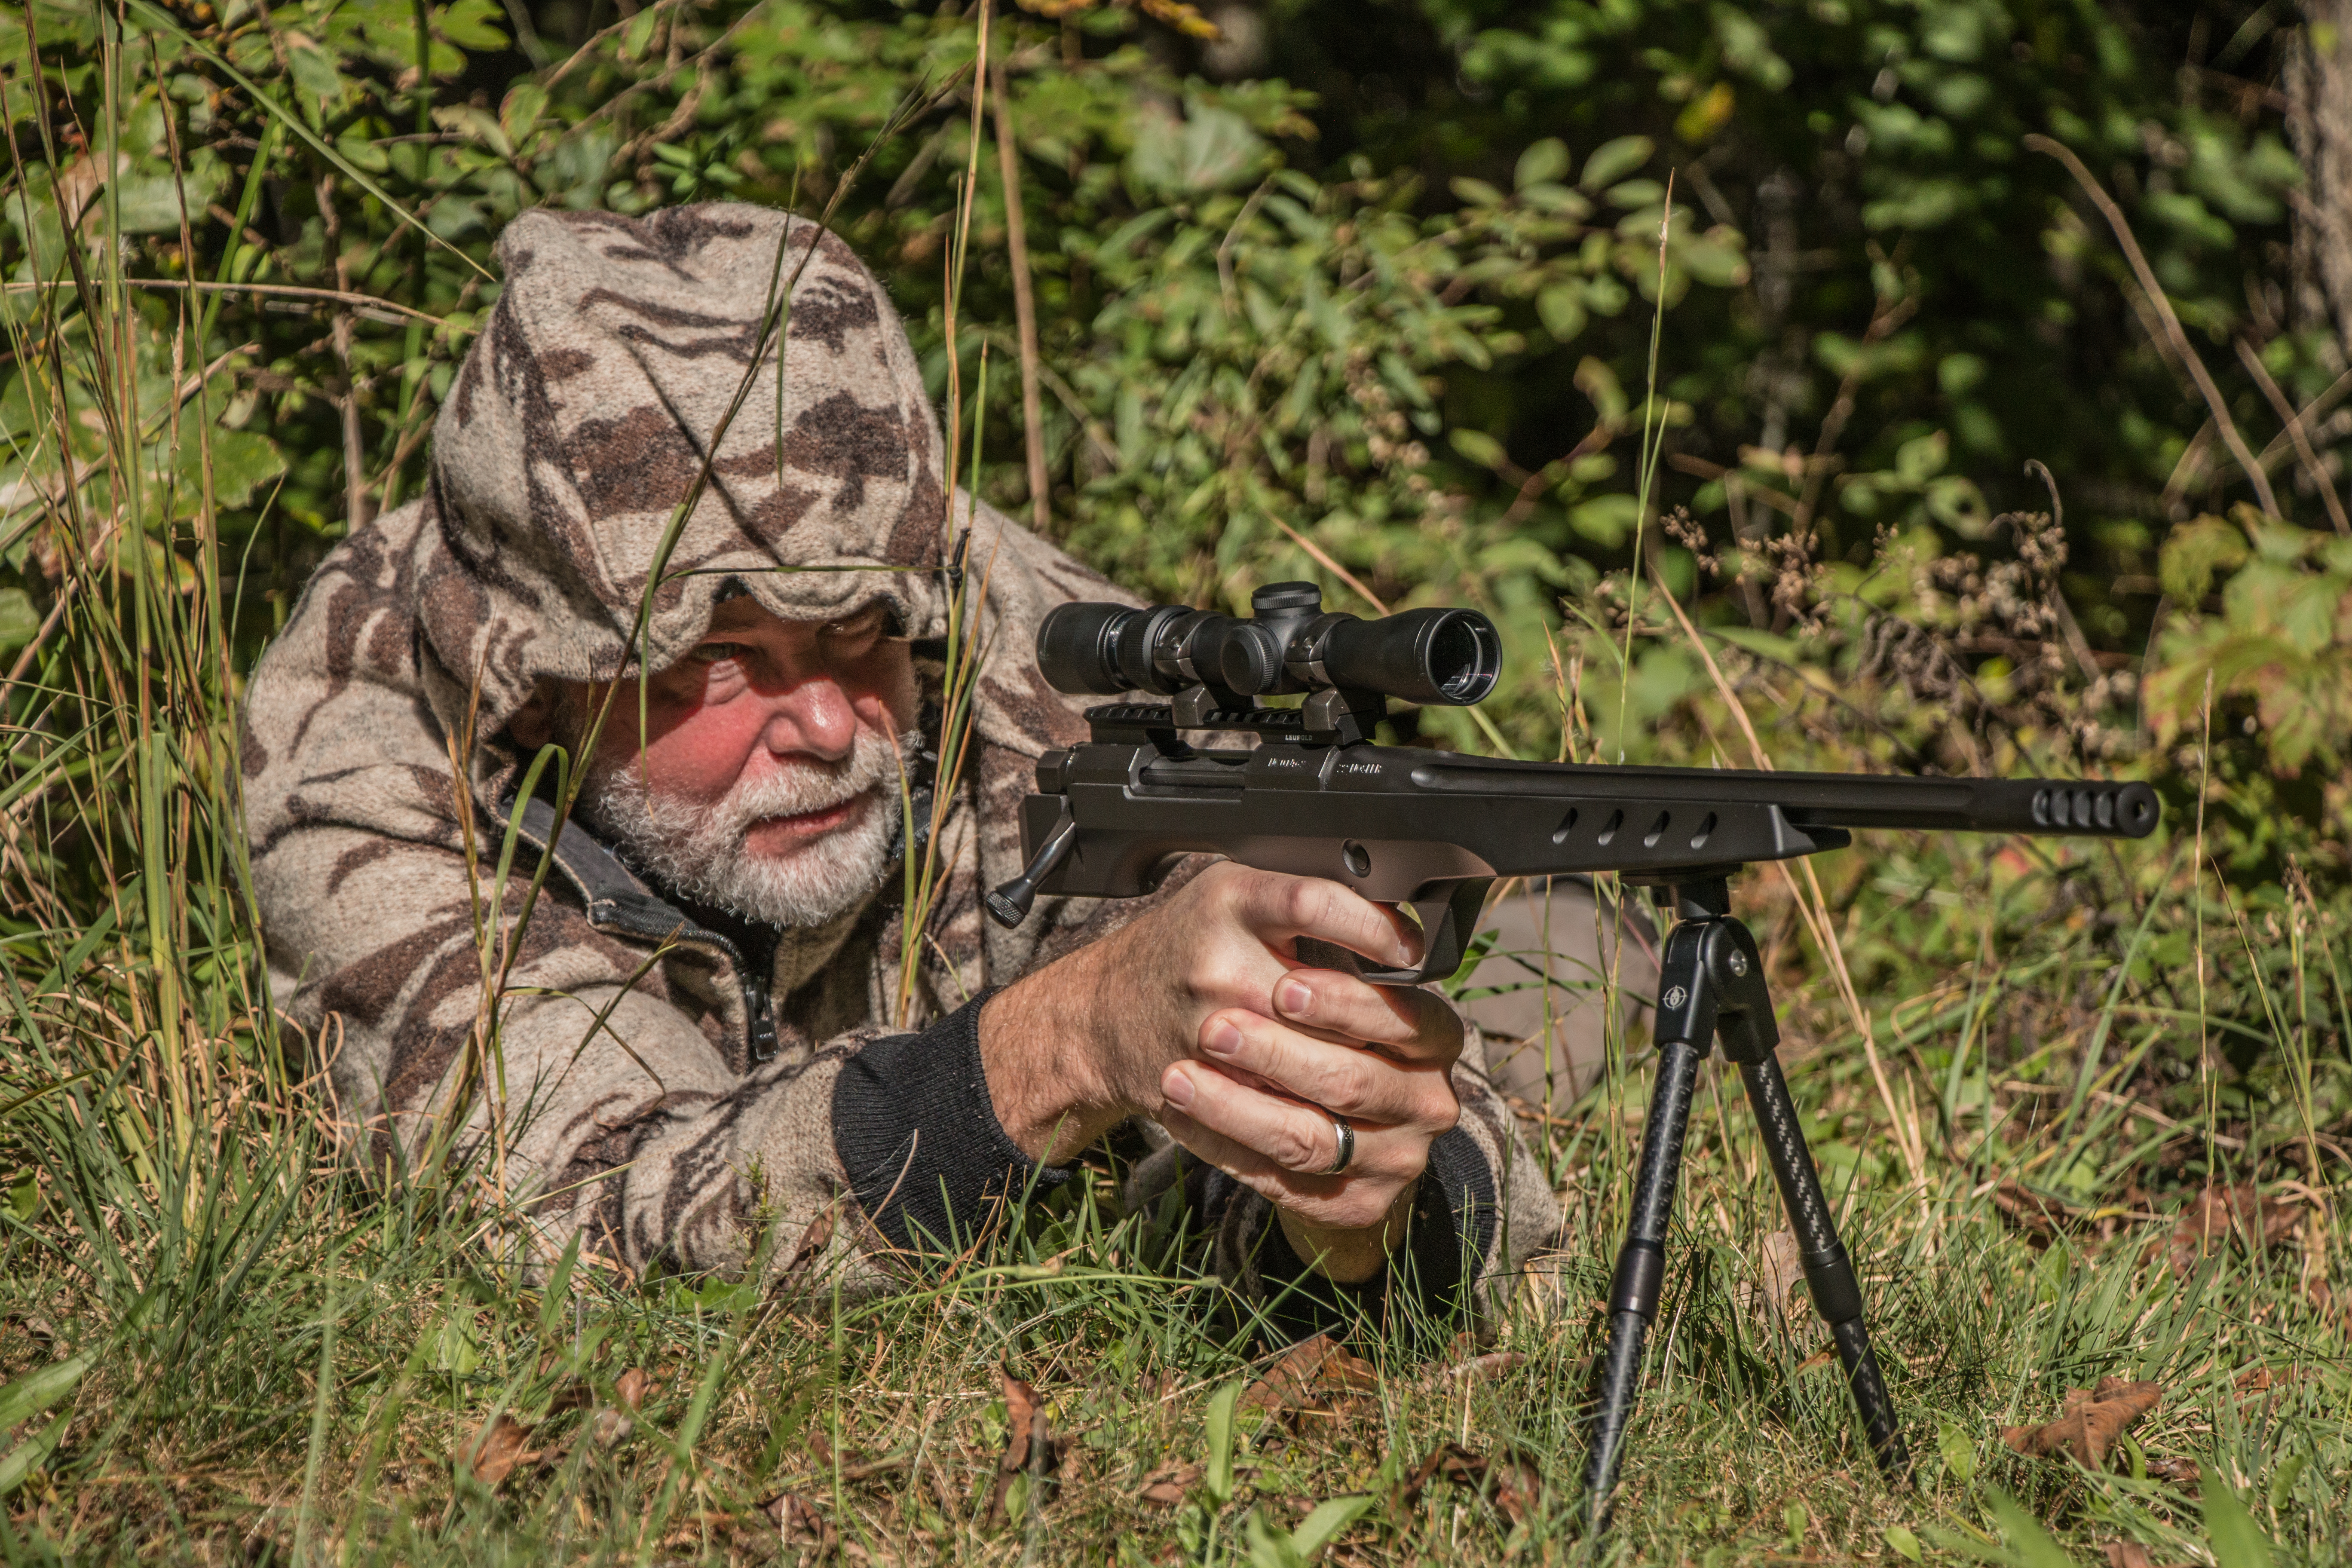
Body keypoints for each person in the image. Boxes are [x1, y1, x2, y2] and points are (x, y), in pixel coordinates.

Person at [242, 203, 1558, 1336]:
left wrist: (1346, 1204)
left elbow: (1390, 1122)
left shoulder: (1014, 642)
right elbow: (585, 1217)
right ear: (547, 674)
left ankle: (1583, 948)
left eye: (861, 632)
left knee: (1551, 1000)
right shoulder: (368, 736)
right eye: (725, 659)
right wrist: (1071, 1040)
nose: (829, 723)